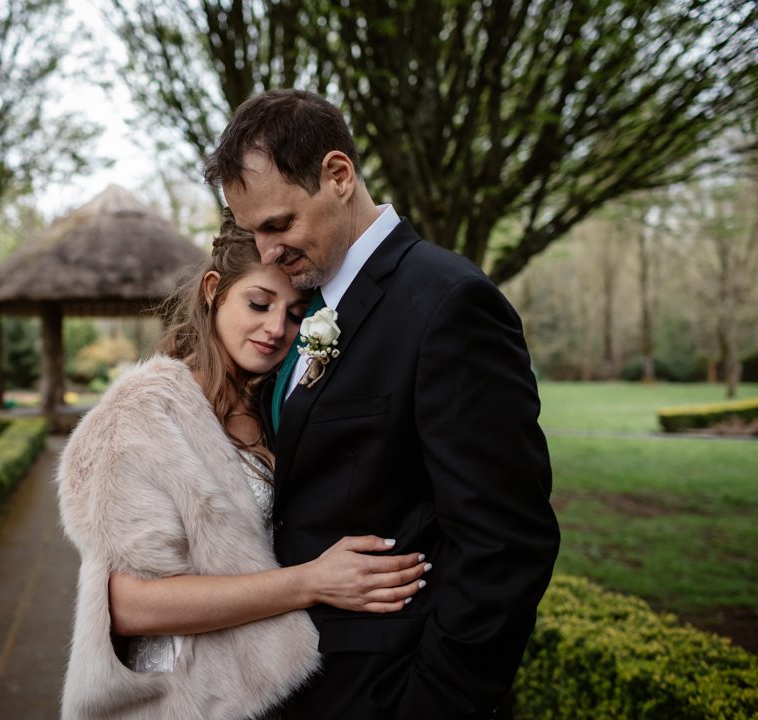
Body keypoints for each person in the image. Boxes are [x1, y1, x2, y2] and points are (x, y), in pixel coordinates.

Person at [205, 89, 561, 719]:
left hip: (387, 692)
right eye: (252, 231)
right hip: (290, 689)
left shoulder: (449, 303)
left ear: (338, 175)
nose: (266, 253)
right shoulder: (300, 310)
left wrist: (431, 704)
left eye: (279, 225)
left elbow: (506, 543)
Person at [56, 218, 430, 720]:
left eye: (295, 314)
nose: (276, 328)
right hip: (176, 700)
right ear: (213, 290)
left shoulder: (272, 405)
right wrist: (311, 582)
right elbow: (129, 605)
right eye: (258, 303)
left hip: (267, 693)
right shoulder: (141, 415)